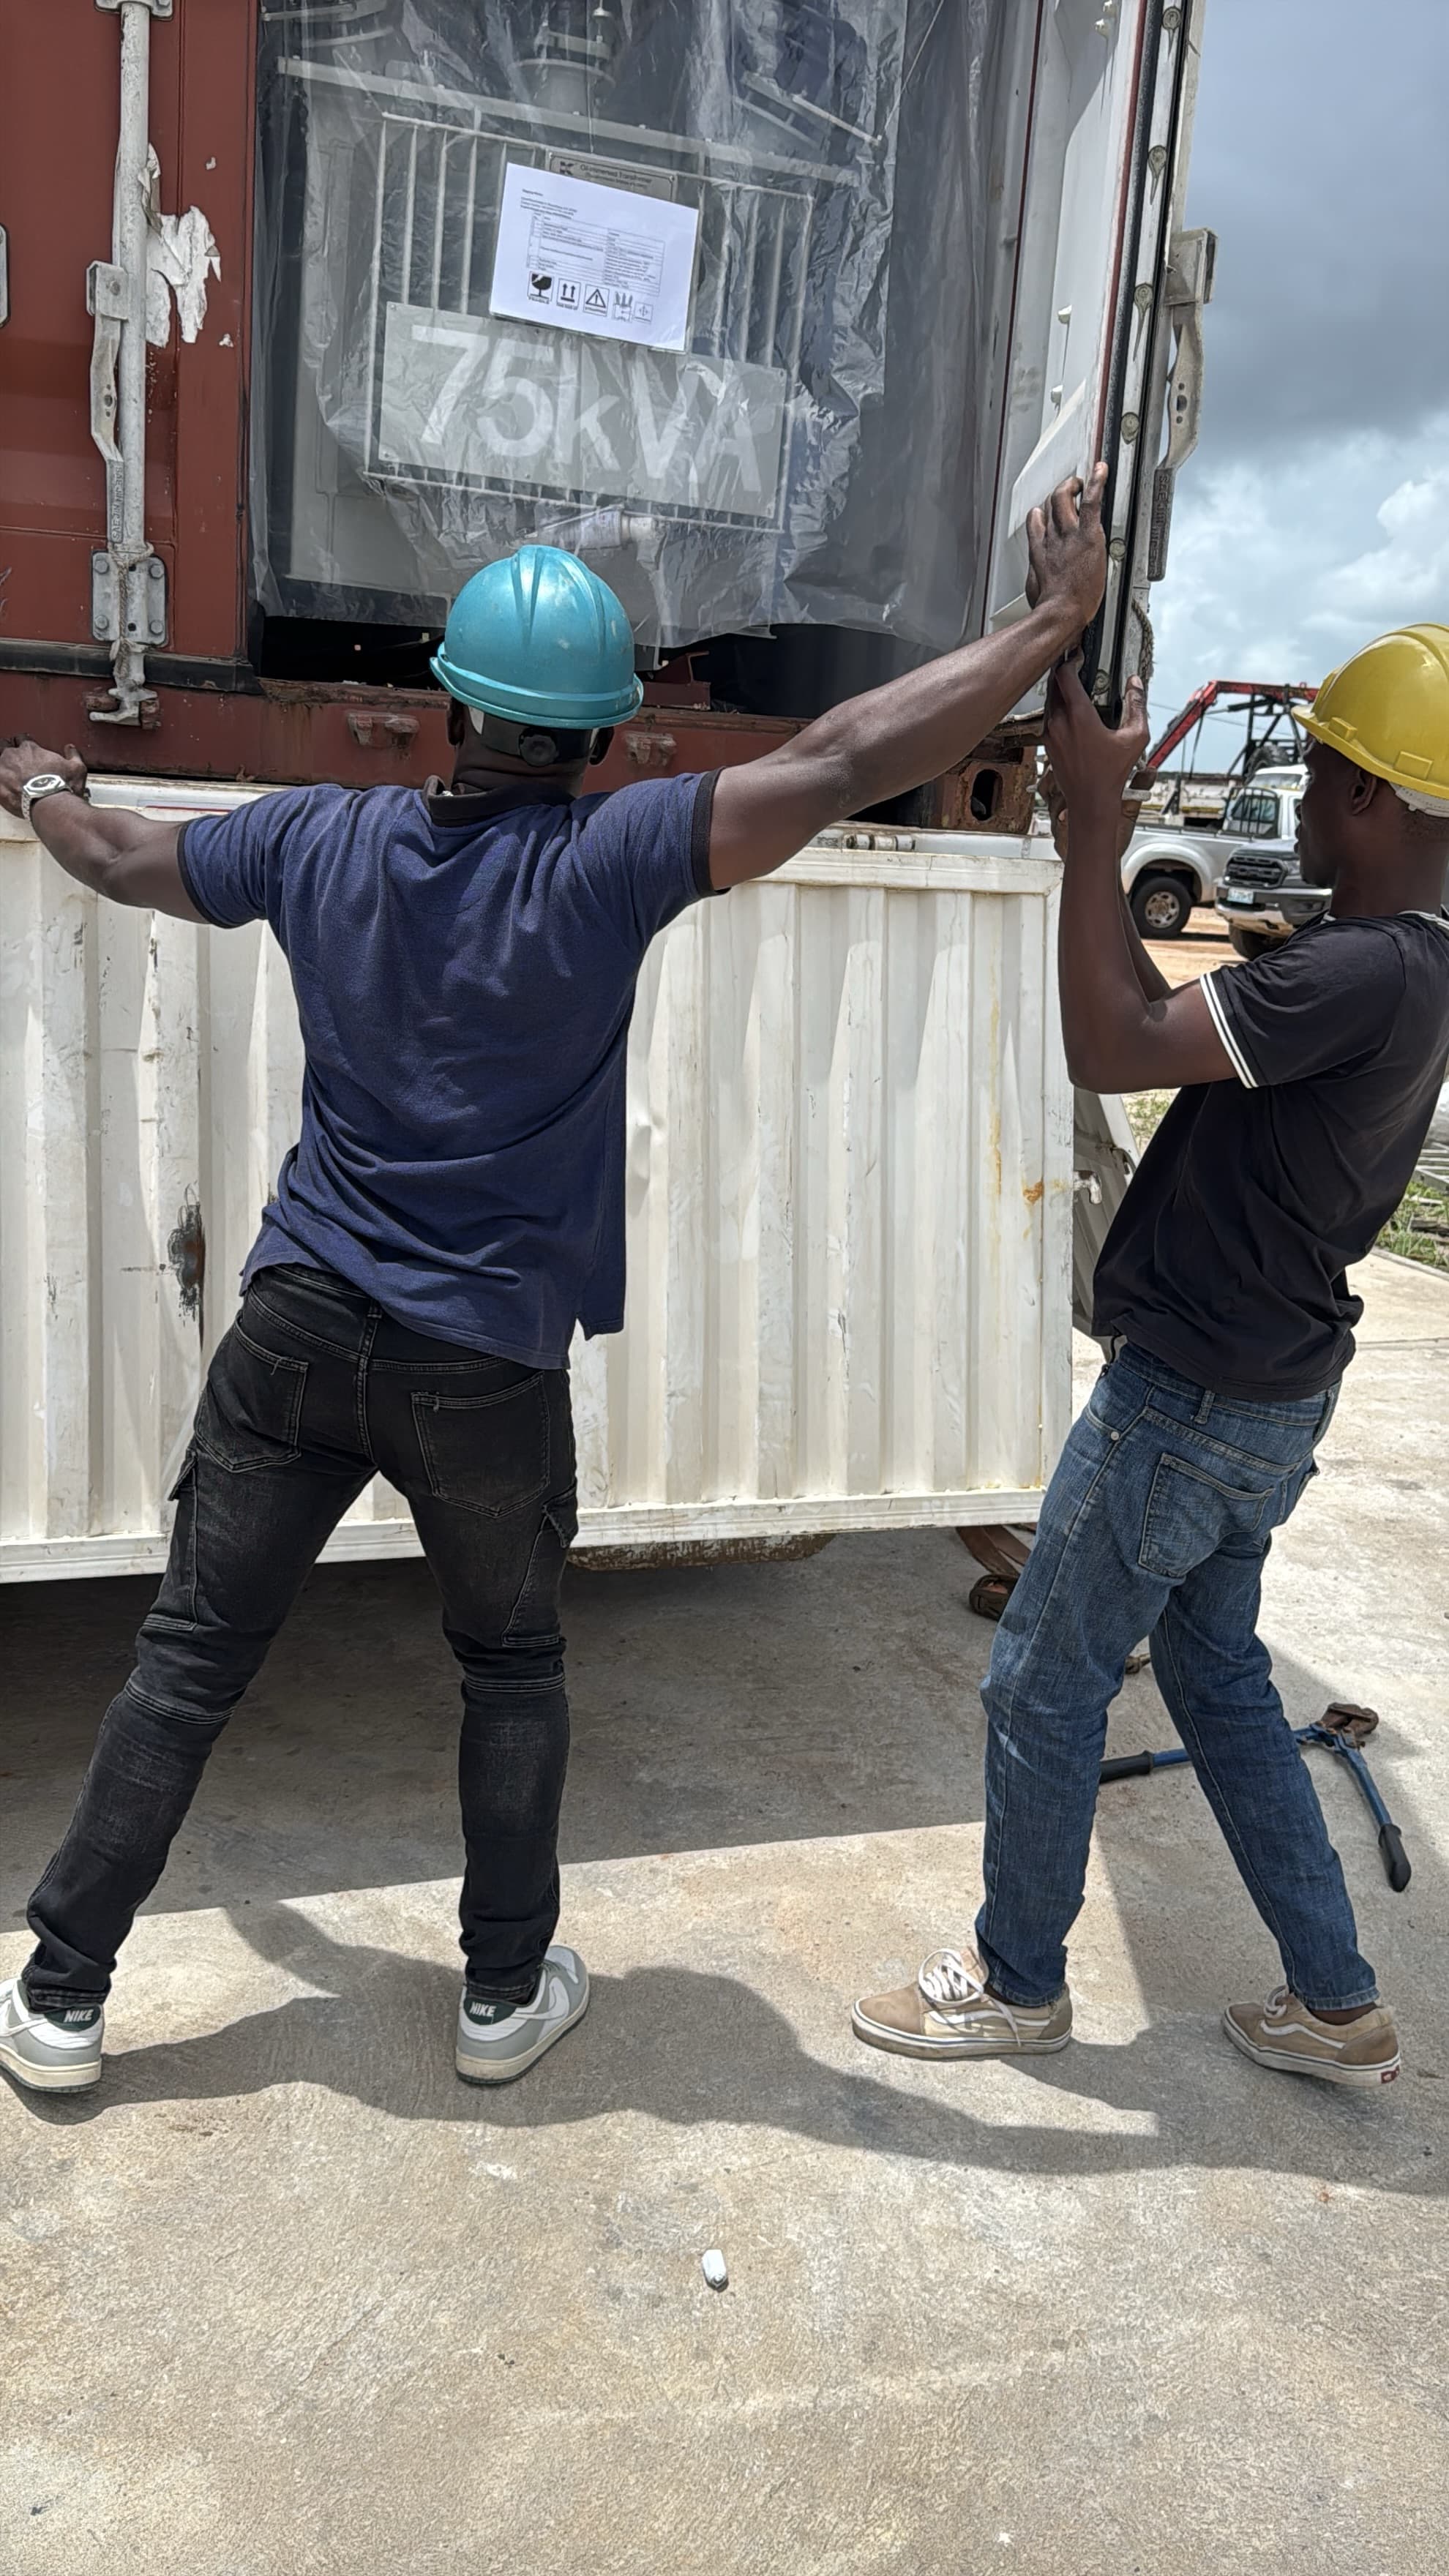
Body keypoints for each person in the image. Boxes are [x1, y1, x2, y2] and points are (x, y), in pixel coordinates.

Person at [0, 481, 1109, 2097]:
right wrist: (1047, 626)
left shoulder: (313, 840)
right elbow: (845, 754)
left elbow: (108, 848)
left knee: (187, 1661)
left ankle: (59, 1991)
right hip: (481, 1365)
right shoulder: (613, 863)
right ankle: (502, 1996)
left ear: (450, 707)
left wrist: (42, 783)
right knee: (509, 1669)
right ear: (599, 743)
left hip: (296, 1327)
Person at [853, 622, 1449, 2092]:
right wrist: (1099, 846)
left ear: (1375, 798)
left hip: (1186, 1401)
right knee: (1220, 1676)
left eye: (1318, 776)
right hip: (1271, 1398)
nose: (1301, 802)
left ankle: (1015, 1977)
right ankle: (1333, 1998)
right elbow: (1153, 1020)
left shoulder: (1354, 975)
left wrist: (1096, 820)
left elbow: (1106, 1046)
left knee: (1042, 1682)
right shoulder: (1411, 972)